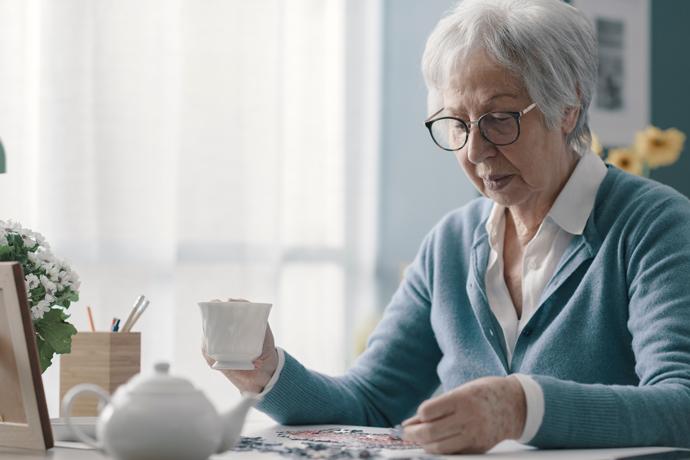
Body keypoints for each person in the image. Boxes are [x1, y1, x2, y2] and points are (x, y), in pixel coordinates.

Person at [202, 0, 690, 453]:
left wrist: (522, 408)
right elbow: (370, 401)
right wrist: (266, 371)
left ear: (568, 107)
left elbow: (681, 403)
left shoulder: (653, 225)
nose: (475, 152)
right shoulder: (450, 244)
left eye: (499, 119)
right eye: (457, 124)